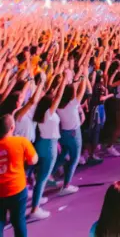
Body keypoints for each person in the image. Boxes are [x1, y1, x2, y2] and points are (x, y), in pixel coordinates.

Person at [31, 75, 66, 220]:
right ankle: (35, 209)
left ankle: (37, 200)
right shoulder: (48, 112)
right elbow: (58, 97)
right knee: (43, 178)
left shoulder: (39, 112)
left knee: (41, 177)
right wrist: (63, 81)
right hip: (48, 146)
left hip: (43, 143)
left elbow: (50, 97)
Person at [0, 114, 38, 237]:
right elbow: (33, 160)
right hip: (17, 189)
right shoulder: (21, 141)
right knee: (18, 221)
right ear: (12, 127)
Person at [54, 75, 87, 196]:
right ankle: (66, 185)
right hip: (74, 133)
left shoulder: (58, 104)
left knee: (63, 155)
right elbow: (82, 90)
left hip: (63, 133)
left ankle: (51, 174)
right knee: (74, 159)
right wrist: (84, 77)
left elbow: (58, 94)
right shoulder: (73, 103)